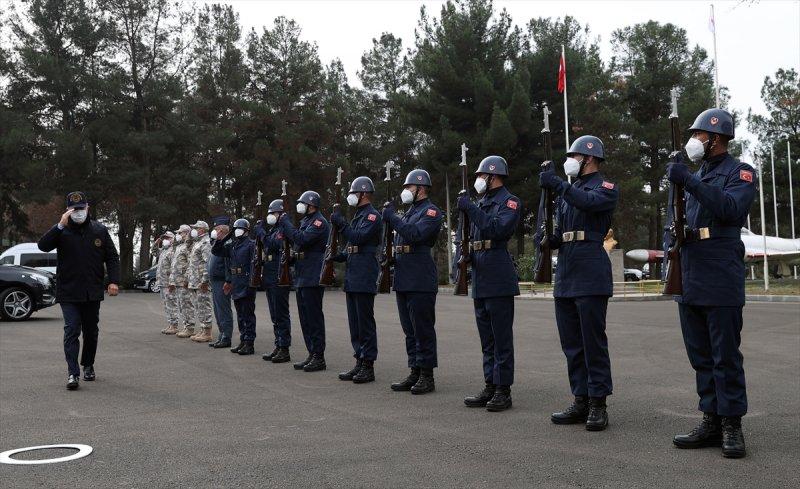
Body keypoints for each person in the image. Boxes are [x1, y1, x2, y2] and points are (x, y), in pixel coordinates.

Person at [666, 108, 755, 459]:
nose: (693, 141)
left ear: (715, 138)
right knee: (700, 355)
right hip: (690, 270)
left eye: (698, 135)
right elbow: (672, 220)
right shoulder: (693, 174)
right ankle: (711, 418)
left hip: (720, 270)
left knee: (724, 355)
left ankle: (732, 423)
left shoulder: (740, 172)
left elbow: (731, 209)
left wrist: (689, 180)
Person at [538, 135, 619, 431]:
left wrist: (558, 185)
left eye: (574, 155)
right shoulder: (569, 190)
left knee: (592, 342)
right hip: (568, 269)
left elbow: (590, 204)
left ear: (590, 158)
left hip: (590, 268)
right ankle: (580, 398)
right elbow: (565, 227)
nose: (569, 160)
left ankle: (598, 402)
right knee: (571, 343)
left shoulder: (605, 187)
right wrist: (552, 240)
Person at [457, 156, 521, 412]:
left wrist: (470, 208)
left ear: (493, 176)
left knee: (501, 337)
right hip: (481, 273)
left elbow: (498, 230)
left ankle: (503, 389)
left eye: (481, 175)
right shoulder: (481, 203)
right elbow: (474, 236)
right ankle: (490, 384)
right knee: (487, 338)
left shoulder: (510, 202)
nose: (478, 180)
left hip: (497, 272)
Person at [37, 191, 120, 390]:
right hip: (69, 291)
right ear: (67, 211)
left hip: (92, 290)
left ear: (87, 208)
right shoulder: (61, 231)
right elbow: (43, 246)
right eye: (74, 209)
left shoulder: (99, 230)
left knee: (91, 332)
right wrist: (59, 225)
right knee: (72, 330)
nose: (78, 213)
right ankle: (72, 373)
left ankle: (88, 365)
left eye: (81, 208)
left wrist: (114, 281)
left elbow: (112, 256)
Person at [382, 169, 443, 395]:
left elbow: (416, 235)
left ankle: (427, 375)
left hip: (420, 277)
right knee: (409, 330)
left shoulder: (431, 212)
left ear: (421, 189)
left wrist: (393, 218)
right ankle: (415, 370)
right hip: (404, 275)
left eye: (409, 188)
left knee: (423, 329)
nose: (405, 191)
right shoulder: (408, 212)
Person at [331, 176, 383, 384]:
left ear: (363, 194)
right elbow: (350, 247)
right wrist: (335, 256)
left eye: (353, 193)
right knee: (355, 323)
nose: (350, 196)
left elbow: (359, 238)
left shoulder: (372, 216)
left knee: (365, 322)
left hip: (364, 274)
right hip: (353, 275)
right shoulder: (358, 216)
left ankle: (368, 365)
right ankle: (359, 360)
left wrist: (341, 223)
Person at [277, 190, 330, 372]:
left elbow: (302, 239)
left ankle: (319, 356)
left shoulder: (319, 222)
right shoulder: (306, 221)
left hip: (313, 276)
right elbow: (297, 243)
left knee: (314, 318)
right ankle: (311, 353)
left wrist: (286, 225)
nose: (299, 206)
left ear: (311, 205)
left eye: (302, 203)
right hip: (302, 275)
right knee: (305, 318)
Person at [212, 218, 257, 355]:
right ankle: (243, 341)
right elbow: (217, 251)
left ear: (246, 231)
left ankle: (249, 343)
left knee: (247, 314)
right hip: (236, 282)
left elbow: (254, 264)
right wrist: (222, 238)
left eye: (240, 229)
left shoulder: (251, 245)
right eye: (236, 229)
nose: (238, 231)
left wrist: (252, 282)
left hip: (246, 281)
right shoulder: (233, 245)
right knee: (240, 315)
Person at [256, 200, 292, 363]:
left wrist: (261, 233)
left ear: (280, 214)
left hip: (279, 274)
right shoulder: (273, 229)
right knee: (274, 315)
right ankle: (278, 345)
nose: (270, 216)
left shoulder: (283, 229)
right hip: (270, 275)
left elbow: (275, 244)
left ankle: (284, 348)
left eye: (274, 213)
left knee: (281, 314)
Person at [208, 217, 234, 348]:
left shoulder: (227, 243)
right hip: (215, 281)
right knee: (217, 310)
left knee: (223, 309)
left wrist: (228, 280)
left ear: (223, 230)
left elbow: (228, 263)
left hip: (222, 281)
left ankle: (226, 337)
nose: (214, 231)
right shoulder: (217, 243)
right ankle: (221, 334)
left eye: (217, 229)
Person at [187, 220, 214, 343]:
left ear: (203, 229)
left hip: (201, 281)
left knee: (204, 305)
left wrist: (204, 280)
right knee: (198, 306)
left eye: (197, 228)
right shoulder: (197, 242)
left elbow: (207, 263)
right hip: (195, 281)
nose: (195, 230)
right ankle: (203, 329)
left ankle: (207, 332)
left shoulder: (206, 242)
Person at [170, 224, 196, 338]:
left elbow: (190, 263)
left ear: (186, 233)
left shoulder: (188, 246)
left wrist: (186, 279)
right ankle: (186, 326)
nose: (178, 235)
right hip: (178, 281)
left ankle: (190, 328)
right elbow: (175, 265)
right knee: (181, 305)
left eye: (180, 233)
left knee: (187, 304)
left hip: (184, 281)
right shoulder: (180, 246)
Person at [156, 231, 180, 335]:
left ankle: (174, 325)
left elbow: (174, 268)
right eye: (164, 238)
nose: (165, 240)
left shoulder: (172, 251)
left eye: (168, 238)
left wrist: (172, 282)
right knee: (166, 305)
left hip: (168, 283)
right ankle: (170, 324)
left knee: (172, 304)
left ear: (172, 239)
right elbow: (153, 252)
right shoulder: (163, 251)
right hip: (162, 282)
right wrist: (157, 242)